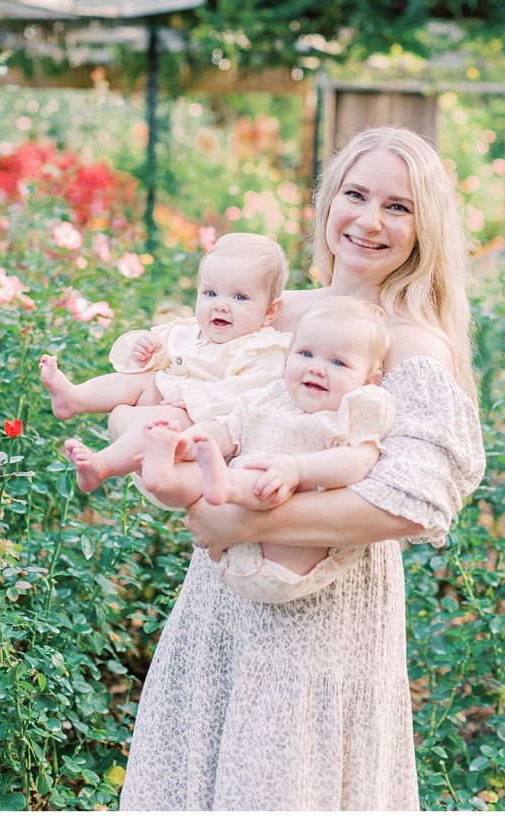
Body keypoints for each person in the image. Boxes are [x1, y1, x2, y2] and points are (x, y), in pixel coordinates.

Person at [118, 126, 486, 811]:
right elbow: (163, 398)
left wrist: (246, 512)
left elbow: (416, 500)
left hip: (321, 623)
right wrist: (147, 446)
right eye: (356, 193)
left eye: (399, 207)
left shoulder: (410, 344)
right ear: (328, 202)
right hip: (219, 603)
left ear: (425, 227)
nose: (369, 221)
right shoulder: (271, 316)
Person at [138, 296, 396, 603]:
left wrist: (295, 470)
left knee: (259, 476)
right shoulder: (268, 397)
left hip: (290, 554)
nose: (317, 368)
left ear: (369, 380)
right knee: (191, 476)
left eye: (338, 362)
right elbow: (225, 431)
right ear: (289, 357)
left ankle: (227, 484)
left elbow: (357, 463)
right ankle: (162, 478)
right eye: (306, 353)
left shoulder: (354, 409)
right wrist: (189, 442)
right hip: (230, 545)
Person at [39, 233, 290, 492]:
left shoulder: (261, 348)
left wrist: (198, 400)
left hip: (203, 424)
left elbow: (251, 392)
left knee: (166, 420)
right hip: (168, 397)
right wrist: (148, 353)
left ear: (270, 311)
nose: (220, 306)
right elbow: (162, 362)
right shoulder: (189, 331)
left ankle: (102, 465)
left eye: (239, 297)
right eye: (210, 293)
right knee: (140, 379)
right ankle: (74, 398)